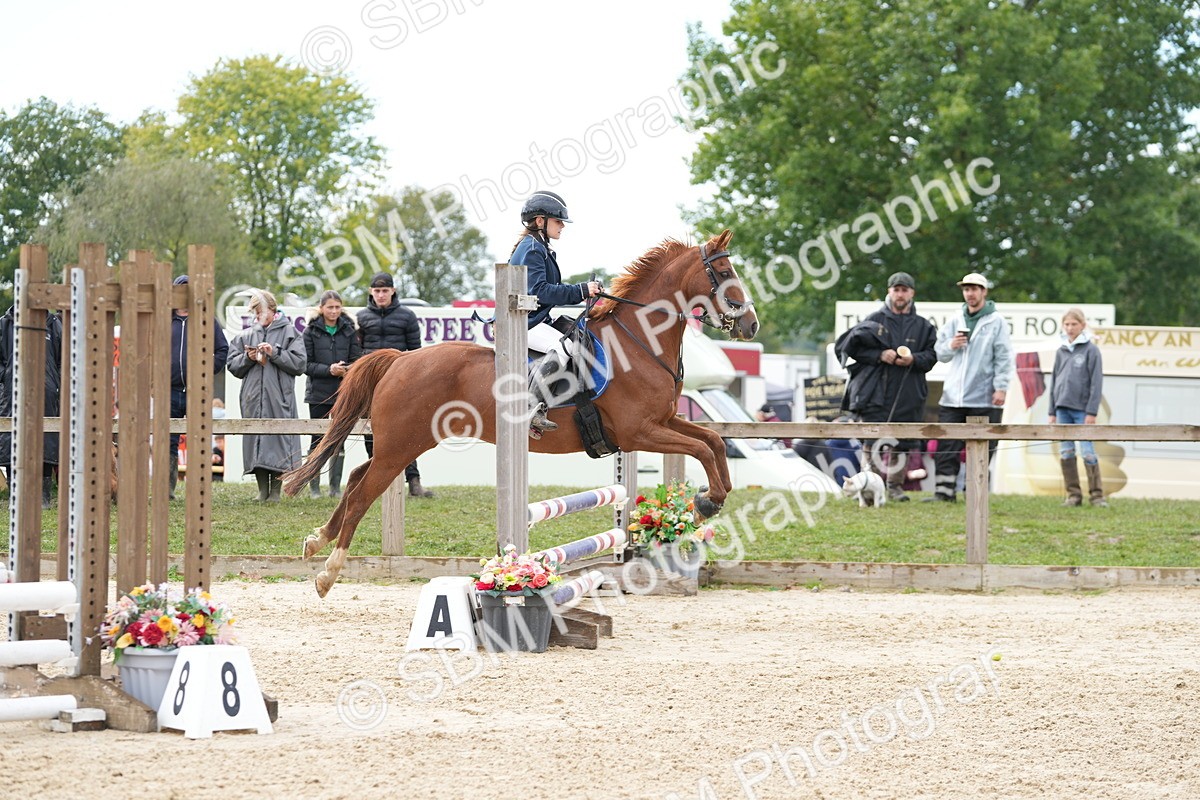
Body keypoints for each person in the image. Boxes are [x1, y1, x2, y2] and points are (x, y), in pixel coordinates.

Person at [508, 190, 602, 439]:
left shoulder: (539, 246)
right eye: (558, 221)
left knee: (574, 336)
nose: (562, 226)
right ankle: (531, 409)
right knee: (563, 346)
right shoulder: (533, 248)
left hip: (532, 318)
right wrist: (581, 289)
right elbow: (541, 291)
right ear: (540, 221)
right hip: (519, 322)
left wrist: (583, 293)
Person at [840, 271, 938, 501]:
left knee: (900, 443)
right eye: (896, 289)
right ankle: (870, 486)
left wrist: (914, 359)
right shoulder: (874, 319)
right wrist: (879, 354)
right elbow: (853, 349)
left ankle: (894, 488)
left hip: (909, 393)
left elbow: (933, 356)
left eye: (904, 290)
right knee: (871, 440)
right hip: (875, 392)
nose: (900, 294)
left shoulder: (924, 327)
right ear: (889, 292)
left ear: (912, 293)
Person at [925, 272, 1014, 502]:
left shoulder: (997, 321)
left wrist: (1001, 387)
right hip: (953, 396)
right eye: (966, 289)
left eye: (974, 289)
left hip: (984, 398)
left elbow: (1003, 357)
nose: (970, 293)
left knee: (982, 447)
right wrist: (951, 345)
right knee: (946, 445)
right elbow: (940, 352)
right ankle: (944, 492)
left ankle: (974, 492)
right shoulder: (956, 318)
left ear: (984, 292)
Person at [356, 271, 433, 498]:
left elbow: (416, 351)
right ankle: (376, 481)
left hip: (400, 384)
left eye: (385, 290)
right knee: (370, 432)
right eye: (377, 291)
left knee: (407, 433)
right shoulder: (360, 318)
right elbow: (356, 351)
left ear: (393, 291)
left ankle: (414, 481)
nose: (381, 295)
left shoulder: (407, 316)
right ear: (371, 292)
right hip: (370, 384)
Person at [226, 289, 306, 503]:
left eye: (261, 312)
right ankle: (262, 491)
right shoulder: (246, 334)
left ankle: (276, 492)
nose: (258, 317)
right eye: (255, 313)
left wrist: (276, 353)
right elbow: (232, 365)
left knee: (279, 440)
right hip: (253, 397)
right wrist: (247, 357)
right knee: (256, 440)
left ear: (273, 310)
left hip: (280, 397)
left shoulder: (290, 332)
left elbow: (300, 364)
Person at [169, 275, 230, 500]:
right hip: (169, 390)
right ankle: (168, 491)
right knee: (168, 441)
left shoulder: (206, 320)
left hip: (197, 392)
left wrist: (206, 370)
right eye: (179, 290)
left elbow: (223, 350)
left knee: (199, 439)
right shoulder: (164, 320)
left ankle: (198, 491)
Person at [0, 306, 62, 509]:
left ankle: (43, 495)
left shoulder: (53, 324)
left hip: (47, 391)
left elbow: (63, 358)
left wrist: (56, 382)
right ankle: (14, 494)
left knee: (47, 438)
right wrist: (6, 377)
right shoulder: (5, 323)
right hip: (13, 391)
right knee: (12, 438)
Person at [303, 290, 361, 498]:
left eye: (337, 307)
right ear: (321, 308)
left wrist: (348, 369)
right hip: (318, 394)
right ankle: (314, 487)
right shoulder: (310, 332)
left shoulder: (349, 331)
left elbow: (357, 358)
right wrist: (329, 370)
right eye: (330, 307)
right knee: (317, 440)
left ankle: (335, 488)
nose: (334, 311)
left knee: (339, 439)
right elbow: (305, 365)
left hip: (343, 393)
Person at [1047, 308, 1107, 507]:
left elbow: (1096, 383)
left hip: (1082, 410)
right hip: (1062, 408)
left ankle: (1097, 495)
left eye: (1074, 324)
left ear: (1082, 325)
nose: (1070, 328)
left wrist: (1091, 411)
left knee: (1088, 451)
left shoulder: (1091, 350)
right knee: (1066, 451)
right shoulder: (1061, 350)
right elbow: (1054, 380)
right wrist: (1051, 411)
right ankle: (1073, 495)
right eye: (1067, 324)